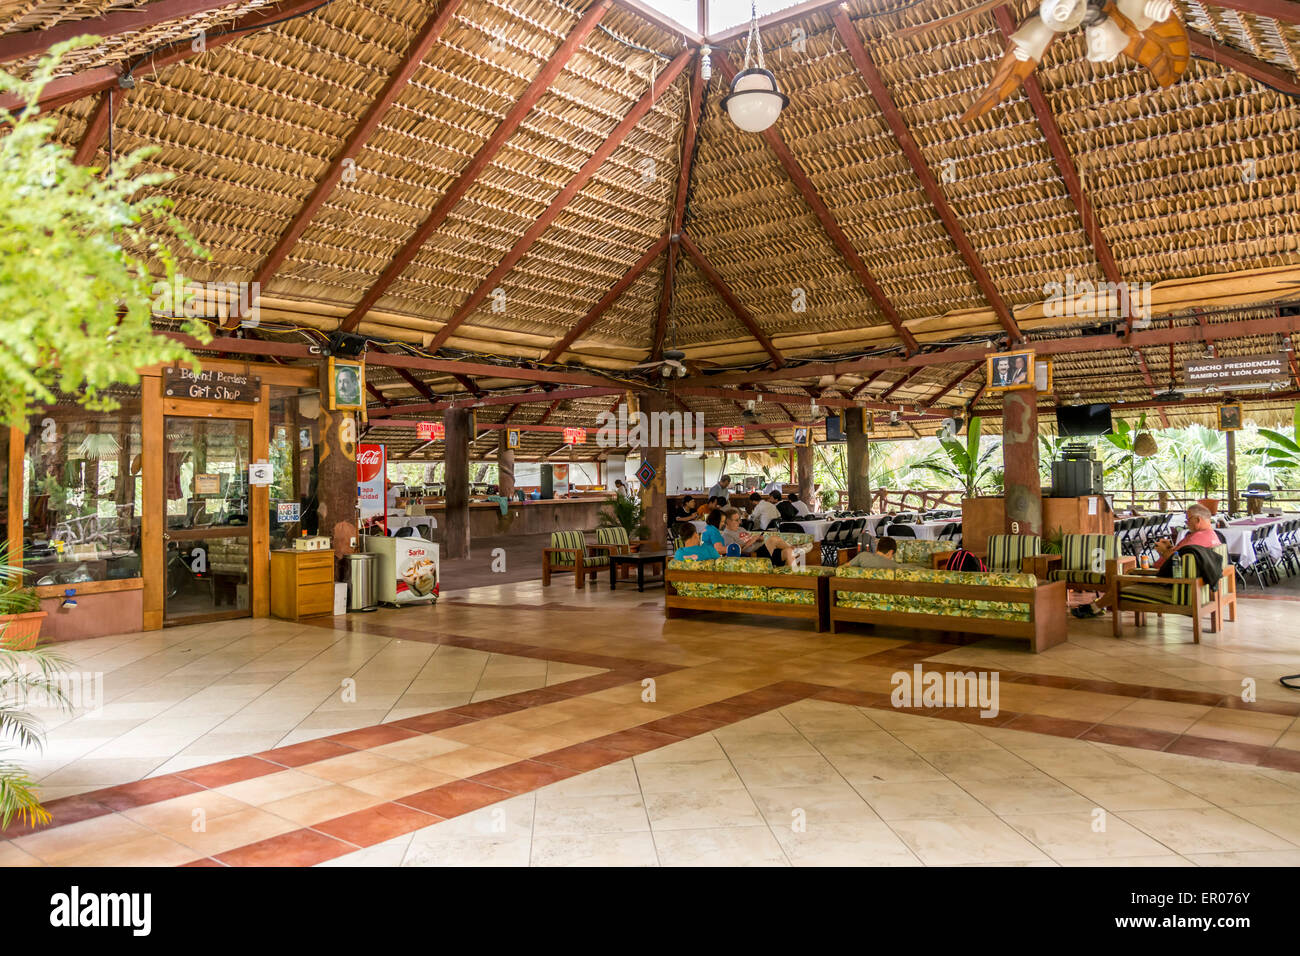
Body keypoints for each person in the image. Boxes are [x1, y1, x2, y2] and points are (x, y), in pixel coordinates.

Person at [1071, 503, 1219, 619]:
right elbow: (1184, 555)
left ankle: (1096, 607)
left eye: (1188, 519)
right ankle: (1099, 606)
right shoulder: (1210, 536)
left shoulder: (1196, 538)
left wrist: (1163, 551)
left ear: (1198, 520)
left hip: (1167, 580)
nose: (1187, 523)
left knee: (1120, 580)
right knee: (1128, 574)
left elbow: (1176, 560)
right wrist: (1170, 548)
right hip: (1175, 577)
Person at [719, 508, 801, 566]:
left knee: (788, 552)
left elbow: (751, 538)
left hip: (764, 549)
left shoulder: (741, 529)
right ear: (728, 521)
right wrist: (751, 541)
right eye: (736, 520)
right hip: (754, 554)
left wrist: (758, 538)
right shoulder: (726, 535)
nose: (740, 522)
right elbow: (734, 552)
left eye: (739, 519)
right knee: (773, 539)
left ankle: (793, 581)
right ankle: (796, 549)